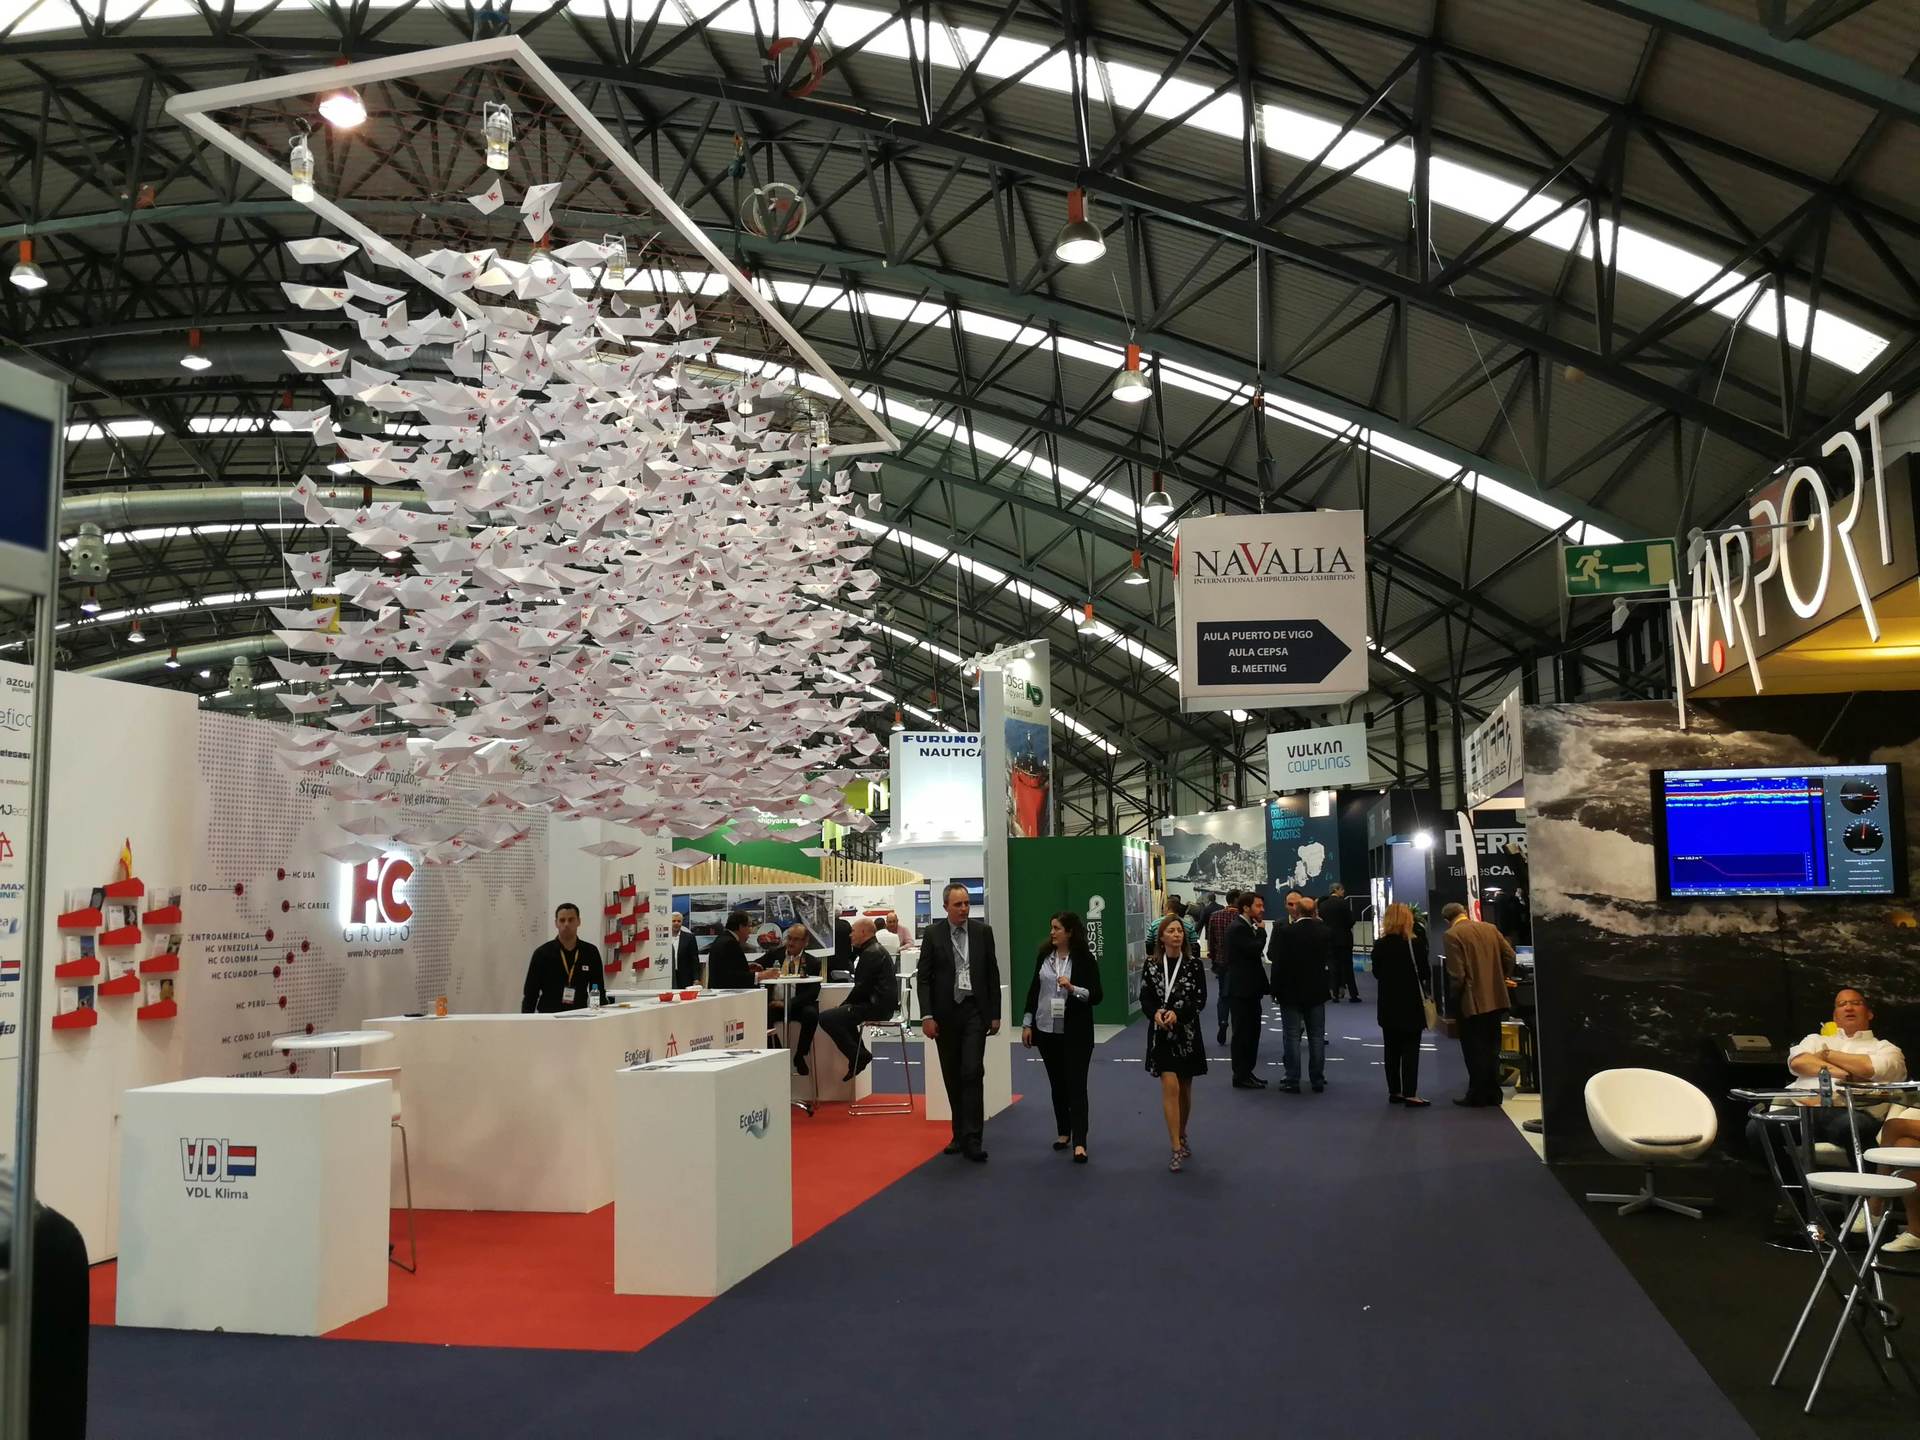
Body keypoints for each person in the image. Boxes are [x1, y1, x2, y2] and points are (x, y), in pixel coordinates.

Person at [1779, 987, 1920, 1251]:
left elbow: (1874, 1068)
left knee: (1853, 1127)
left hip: (1851, 1112)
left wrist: (1826, 1056)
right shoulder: (1814, 1039)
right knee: (1758, 1130)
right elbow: (1797, 1062)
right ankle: (1800, 1205)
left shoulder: (1885, 1048)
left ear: (1869, 1013)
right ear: (1834, 1015)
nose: (1848, 1007)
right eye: (1841, 1004)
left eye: (1855, 1002)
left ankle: (1869, 1206)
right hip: (1804, 1107)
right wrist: (1846, 1072)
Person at [917, 882, 1002, 1162]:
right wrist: (927, 1015)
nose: (964, 909)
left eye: (966, 903)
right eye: (958, 904)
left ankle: (974, 1138)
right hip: (945, 1015)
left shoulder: (982, 932)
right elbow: (924, 978)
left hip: (974, 1011)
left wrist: (995, 1013)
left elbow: (992, 973)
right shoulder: (933, 934)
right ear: (946, 907)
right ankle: (959, 1133)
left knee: (972, 1071)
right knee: (952, 1074)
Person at [1020, 911, 1103, 1162]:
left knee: (1076, 1085)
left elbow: (1096, 995)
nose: (1052, 932)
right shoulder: (1045, 957)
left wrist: (1073, 988)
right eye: (1051, 928)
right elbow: (1034, 990)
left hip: (1076, 1032)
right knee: (1057, 1084)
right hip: (1046, 1029)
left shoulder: (1084, 959)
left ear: (1069, 932)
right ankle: (1063, 1132)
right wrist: (1027, 1023)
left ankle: (1080, 1142)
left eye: (1056, 928)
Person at [1140, 913, 1208, 1172]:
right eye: (1171, 931)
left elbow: (1200, 999)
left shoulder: (1194, 965)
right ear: (1161, 937)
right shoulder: (1151, 965)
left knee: (1185, 1089)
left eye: (1180, 930)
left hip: (1186, 1033)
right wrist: (1155, 1014)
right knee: (1170, 1086)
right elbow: (1145, 996)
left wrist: (1179, 1014)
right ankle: (1175, 1146)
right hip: (1160, 1034)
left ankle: (1182, 1131)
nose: (1177, 934)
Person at [1442, 902, 1517, 1106]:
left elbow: (1457, 975)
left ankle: (1477, 1095)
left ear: (1447, 920)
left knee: (1474, 1050)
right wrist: (1502, 977)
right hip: (1496, 999)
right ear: (1465, 912)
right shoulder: (1489, 928)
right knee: (1493, 1048)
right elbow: (1510, 955)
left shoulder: (1452, 935)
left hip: (1472, 1002)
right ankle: (1494, 1093)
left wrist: (1454, 1000)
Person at [818, 916, 900, 1081]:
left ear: (863, 932)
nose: (850, 935)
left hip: (875, 1007)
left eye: (853, 931)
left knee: (826, 1018)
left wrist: (843, 1005)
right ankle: (859, 1054)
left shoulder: (871, 953)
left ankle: (858, 1055)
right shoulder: (873, 950)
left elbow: (862, 988)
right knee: (841, 1017)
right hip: (879, 1005)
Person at [1270, 890, 1331, 1093]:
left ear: (1297, 911)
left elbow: (1278, 963)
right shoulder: (1324, 932)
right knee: (1316, 1036)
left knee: (1291, 1036)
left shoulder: (1286, 932)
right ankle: (1317, 1079)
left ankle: (1292, 1078)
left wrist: (1274, 989)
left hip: (1290, 991)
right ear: (1314, 912)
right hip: (1316, 991)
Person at [1371, 902, 1430, 1107]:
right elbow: (1424, 973)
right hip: (1411, 1003)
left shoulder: (1380, 945)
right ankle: (1410, 1093)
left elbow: (1376, 973)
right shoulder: (1416, 944)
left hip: (1388, 1003)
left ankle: (1394, 1091)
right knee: (1411, 1050)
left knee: (1391, 1049)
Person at [521, 902, 607, 1013]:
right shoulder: (542, 954)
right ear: (556, 923)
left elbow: (597, 989)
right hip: (549, 1016)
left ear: (578, 921)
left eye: (571, 920)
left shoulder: (590, 952)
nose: (566, 924)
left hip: (580, 1016)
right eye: (562, 920)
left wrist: (599, 1015)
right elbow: (530, 994)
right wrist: (526, 1020)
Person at [1224, 892, 1269, 1089]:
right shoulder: (1238, 928)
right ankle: (1241, 1074)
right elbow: (1254, 949)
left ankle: (1247, 1072)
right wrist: (1262, 932)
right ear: (1245, 907)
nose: (1262, 909)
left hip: (1249, 989)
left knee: (1251, 1033)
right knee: (1243, 1034)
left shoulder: (1244, 926)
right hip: (1241, 990)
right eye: (1258, 906)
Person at [772, 923, 823, 1075]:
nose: (791, 942)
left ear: (805, 942)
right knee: (761, 1016)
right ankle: (777, 1055)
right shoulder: (774, 954)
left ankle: (800, 1056)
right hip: (775, 1004)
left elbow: (813, 992)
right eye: (789, 938)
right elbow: (757, 967)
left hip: (798, 1005)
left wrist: (787, 1004)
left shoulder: (813, 962)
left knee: (811, 1015)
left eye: (796, 939)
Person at [706, 910, 774, 993]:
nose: (750, 931)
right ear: (741, 927)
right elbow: (732, 977)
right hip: (727, 995)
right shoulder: (730, 943)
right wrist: (762, 975)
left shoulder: (722, 939)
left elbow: (727, 968)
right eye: (749, 926)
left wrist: (746, 967)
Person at [1206, 889, 1242, 1045]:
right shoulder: (1242, 918)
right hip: (1240, 964)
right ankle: (1237, 1029)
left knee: (1223, 995)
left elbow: (1211, 941)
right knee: (1239, 997)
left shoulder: (1215, 916)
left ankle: (1222, 1022)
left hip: (1221, 962)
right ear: (1236, 900)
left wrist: (1214, 959)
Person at [1320, 883, 1359, 1002]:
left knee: (1333, 967)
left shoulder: (1323, 905)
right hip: (1344, 940)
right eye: (1342, 889)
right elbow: (1351, 920)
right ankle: (1353, 994)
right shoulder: (1344, 903)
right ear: (1336, 890)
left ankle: (1334, 994)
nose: (1343, 892)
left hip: (1329, 940)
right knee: (1348, 967)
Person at [669, 911, 700, 988]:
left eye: (679, 921)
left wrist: (696, 978)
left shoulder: (689, 937)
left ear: (682, 923)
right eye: (674, 921)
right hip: (669, 976)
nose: (676, 923)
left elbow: (694, 959)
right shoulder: (664, 938)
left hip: (685, 977)